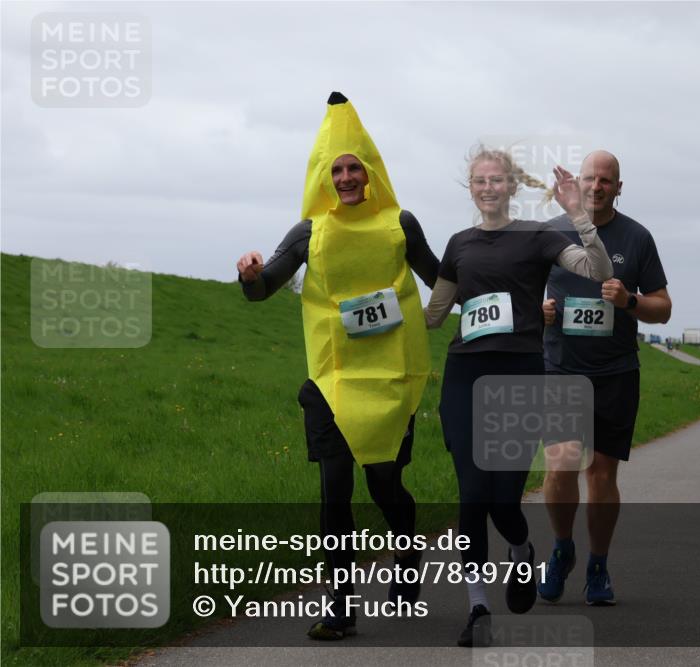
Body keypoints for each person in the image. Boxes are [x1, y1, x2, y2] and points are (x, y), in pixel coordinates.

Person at [236, 92, 438, 640]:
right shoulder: (309, 232)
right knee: (334, 491)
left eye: (355, 168)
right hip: (330, 381)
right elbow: (263, 289)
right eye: (338, 170)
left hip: (388, 381)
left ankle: (406, 564)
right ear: (324, 178)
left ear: (370, 174)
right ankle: (340, 604)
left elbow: (442, 283)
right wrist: (250, 273)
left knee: (386, 487)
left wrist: (494, 296)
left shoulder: (401, 224)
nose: (346, 177)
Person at [423, 147, 613, 647]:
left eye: (496, 180)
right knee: (470, 497)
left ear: (511, 186)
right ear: (471, 188)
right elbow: (434, 314)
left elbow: (595, 268)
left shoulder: (537, 236)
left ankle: (523, 549)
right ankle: (478, 608)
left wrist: (576, 212)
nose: (488, 188)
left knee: (503, 499)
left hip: (519, 379)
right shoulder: (458, 244)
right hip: (464, 374)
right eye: (479, 181)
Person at [538, 150, 671, 608]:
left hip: (614, 372)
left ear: (618, 187)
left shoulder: (637, 238)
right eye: (590, 179)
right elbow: (521, 292)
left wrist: (631, 301)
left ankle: (597, 563)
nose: (596, 187)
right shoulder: (552, 232)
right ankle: (561, 548)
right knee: (559, 467)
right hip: (560, 367)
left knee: (600, 474)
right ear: (579, 181)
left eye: (606, 181)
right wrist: (541, 312)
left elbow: (664, 308)